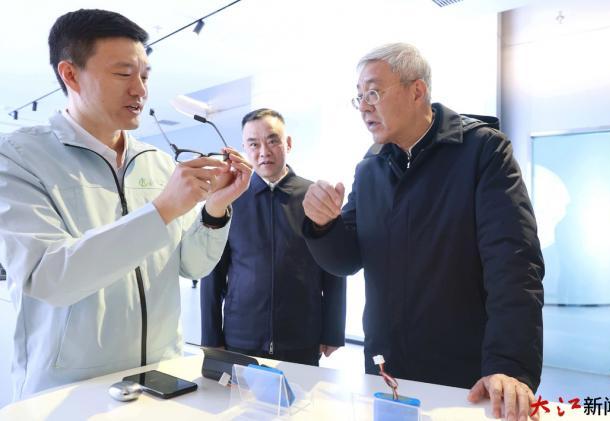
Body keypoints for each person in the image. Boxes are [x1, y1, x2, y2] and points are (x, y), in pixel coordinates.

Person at [0, 9, 252, 400]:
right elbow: (48, 277)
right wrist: (162, 210)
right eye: (123, 74)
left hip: (161, 378)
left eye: (145, 76)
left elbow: (192, 265)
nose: (140, 90)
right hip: (69, 392)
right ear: (71, 75)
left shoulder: (157, 162)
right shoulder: (18, 157)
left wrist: (215, 209)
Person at [302, 43, 544, 421]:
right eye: (359, 97)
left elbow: (514, 263)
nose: (364, 107)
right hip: (385, 369)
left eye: (373, 93)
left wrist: (509, 364)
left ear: (417, 91)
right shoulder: (370, 167)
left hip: (464, 374)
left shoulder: (482, 151)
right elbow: (347, 259)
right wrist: (323, 225)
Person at [200, 108, 346, 366]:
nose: (263, 152)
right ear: (245, 149)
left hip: (301, 337)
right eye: (253, 144)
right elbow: (212, 270)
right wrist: (211, 336)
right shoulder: (230, 200)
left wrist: (333, 331)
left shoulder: (314, 197)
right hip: (241, 336)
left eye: (272, 141)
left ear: (288, 143)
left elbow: (334, 267)